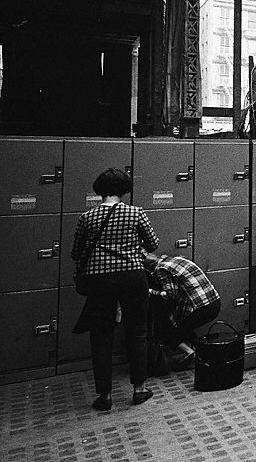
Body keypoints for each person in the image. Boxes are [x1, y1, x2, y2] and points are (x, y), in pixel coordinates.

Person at [71, 168, 158, 411]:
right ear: (124, 190)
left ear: (99, 190)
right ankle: (139, 389)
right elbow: (153, 244)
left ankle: (105, 395)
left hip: (100, 280)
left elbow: (76, 253)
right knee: (137, 331)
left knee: (101, 336)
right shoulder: (135, 213)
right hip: (133, 276)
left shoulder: (87, 217)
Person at [144, 253, 220, 371]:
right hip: (214, 303)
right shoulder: (176, 259)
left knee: (165, 330)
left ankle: (189, 352)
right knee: (184, 327)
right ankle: (202, 354)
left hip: (199, 308)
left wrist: (150, 291)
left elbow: (170, 295)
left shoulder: (160, 269)